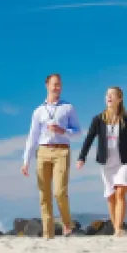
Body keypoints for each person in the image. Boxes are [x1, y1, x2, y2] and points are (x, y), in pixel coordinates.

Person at [21, 73, 81, 239]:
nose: (58, 88)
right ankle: (48, 234)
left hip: (62, 150)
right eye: (55, 84)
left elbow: (78, 131)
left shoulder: (68, 107)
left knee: (59, 192)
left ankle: (67, 225)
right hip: (43, 152)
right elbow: (32, 137)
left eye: (60, 85)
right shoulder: (38, 111)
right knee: (44, 194)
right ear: (47, 85)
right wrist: (26, 160)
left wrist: (63, 130)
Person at [76, 86, 127, 237]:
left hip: (124, 161)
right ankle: (116, 227)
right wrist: (81, 157)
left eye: (112, 95)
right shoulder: (98, 120)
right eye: (107, 95)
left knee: (120, 192)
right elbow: (89, 139)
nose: (109, 97)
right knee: (111, 196)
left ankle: (118, 229)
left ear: (120, 99)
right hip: (106, 163)